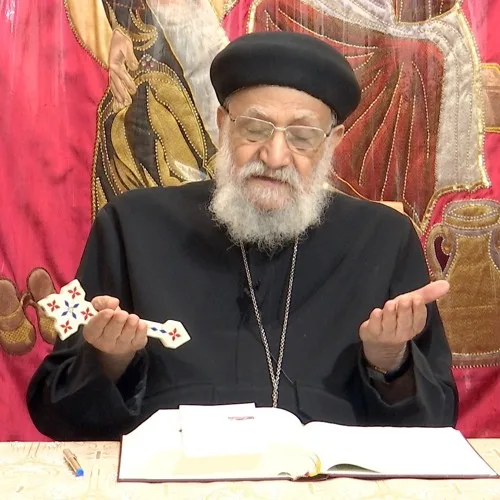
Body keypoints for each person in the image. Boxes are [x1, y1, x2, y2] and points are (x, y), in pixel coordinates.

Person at [27, 31, 458, 441]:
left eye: (302, 137)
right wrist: (109, 360)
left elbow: (436, 422)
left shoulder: (382, 239)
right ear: (223, 124)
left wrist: (389, 362)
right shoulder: (133, 224)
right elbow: (56, 415)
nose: (274, 156)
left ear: (332, 142)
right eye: (254, 128)